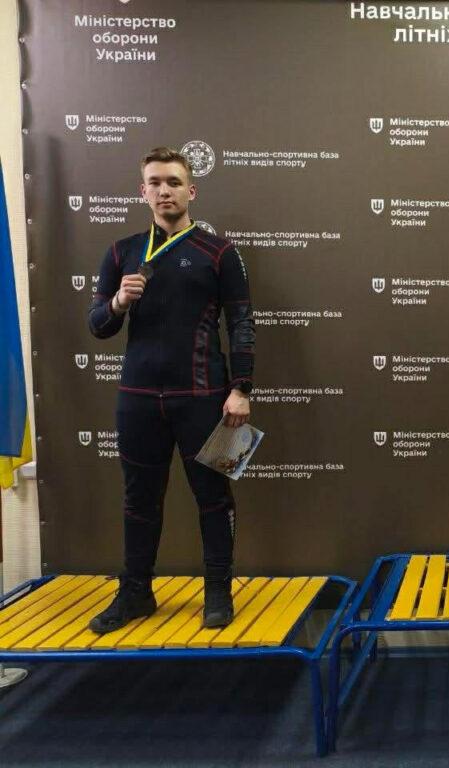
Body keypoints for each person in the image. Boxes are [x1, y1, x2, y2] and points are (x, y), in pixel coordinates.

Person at [87, 147, 254, 633]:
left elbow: (242, 324)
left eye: (174, 182)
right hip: (138, 399)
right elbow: (97, 326)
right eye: (156, 183)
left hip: (205, 398)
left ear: (191, 191)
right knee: (139, 498)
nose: (165, 191)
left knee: (214, 495)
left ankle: (218, 590)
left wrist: (241, 389)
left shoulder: (219, 252)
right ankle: (135, 592)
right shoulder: (121, 252)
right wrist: (118, 302)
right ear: (143, 191)